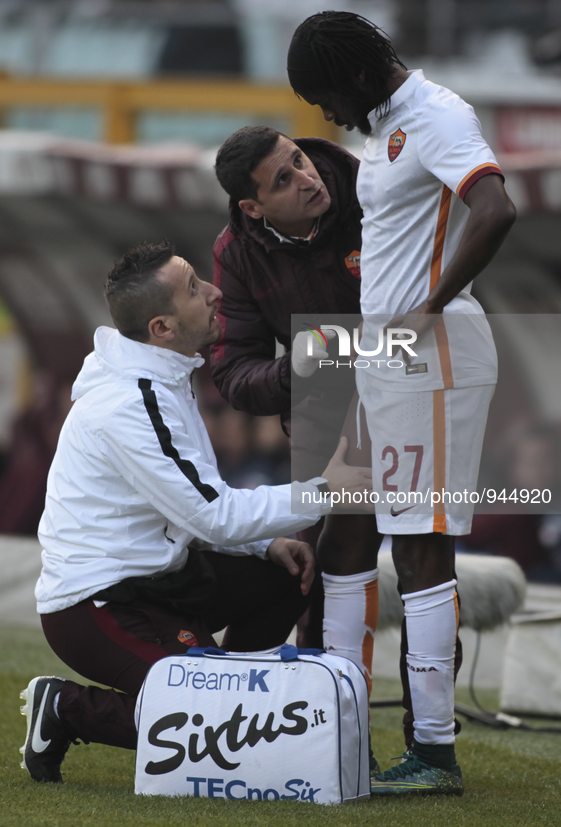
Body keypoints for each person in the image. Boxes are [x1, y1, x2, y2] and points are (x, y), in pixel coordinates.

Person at [20, 240, 372, 784]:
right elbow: (211, 516)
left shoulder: (164, 372)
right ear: (161, 327)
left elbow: (199, 505)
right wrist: (327, 490)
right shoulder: (129, 404)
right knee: (212, 723)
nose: (214, 292)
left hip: (167, 580)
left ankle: (226, 689)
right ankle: (63, 707)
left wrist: (265, 546)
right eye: (194, 288)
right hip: (98, 604)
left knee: (287, 577)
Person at [288, 12, 516, 797]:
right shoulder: (383, 129)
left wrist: (426, 308)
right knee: (351, 532)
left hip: (436, 353)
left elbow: (496, 210)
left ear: (354, 75)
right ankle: (336, 720)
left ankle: (434, 751)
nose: (323, 116)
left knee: (420, 548)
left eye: (323, 97)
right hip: (384, 356)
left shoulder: (440, 116)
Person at [212, 127, 383, 705]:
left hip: (412, 388)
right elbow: (234, 375)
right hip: (320, 413)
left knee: (423, 557)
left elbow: (432, 312)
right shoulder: (235, 254)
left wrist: (336, 351)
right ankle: (306, 721)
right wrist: (302, 370)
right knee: (307, 571)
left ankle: (429, 739)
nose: (307, 178)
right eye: (284, 179)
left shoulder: (374, 193)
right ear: (252, 208)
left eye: (300, 160)